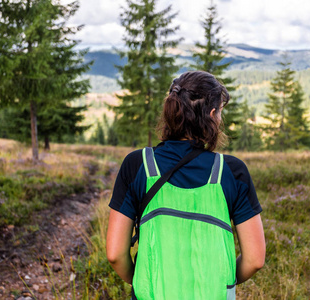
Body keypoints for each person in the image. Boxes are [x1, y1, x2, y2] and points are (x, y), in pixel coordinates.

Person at [106, 71, 265, 300]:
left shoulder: (138, 165)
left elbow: (114, 254)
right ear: (211, 115)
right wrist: (222, 281)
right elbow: (255, 259)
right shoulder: (231, 172)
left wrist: (143, 278)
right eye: (220, 112)